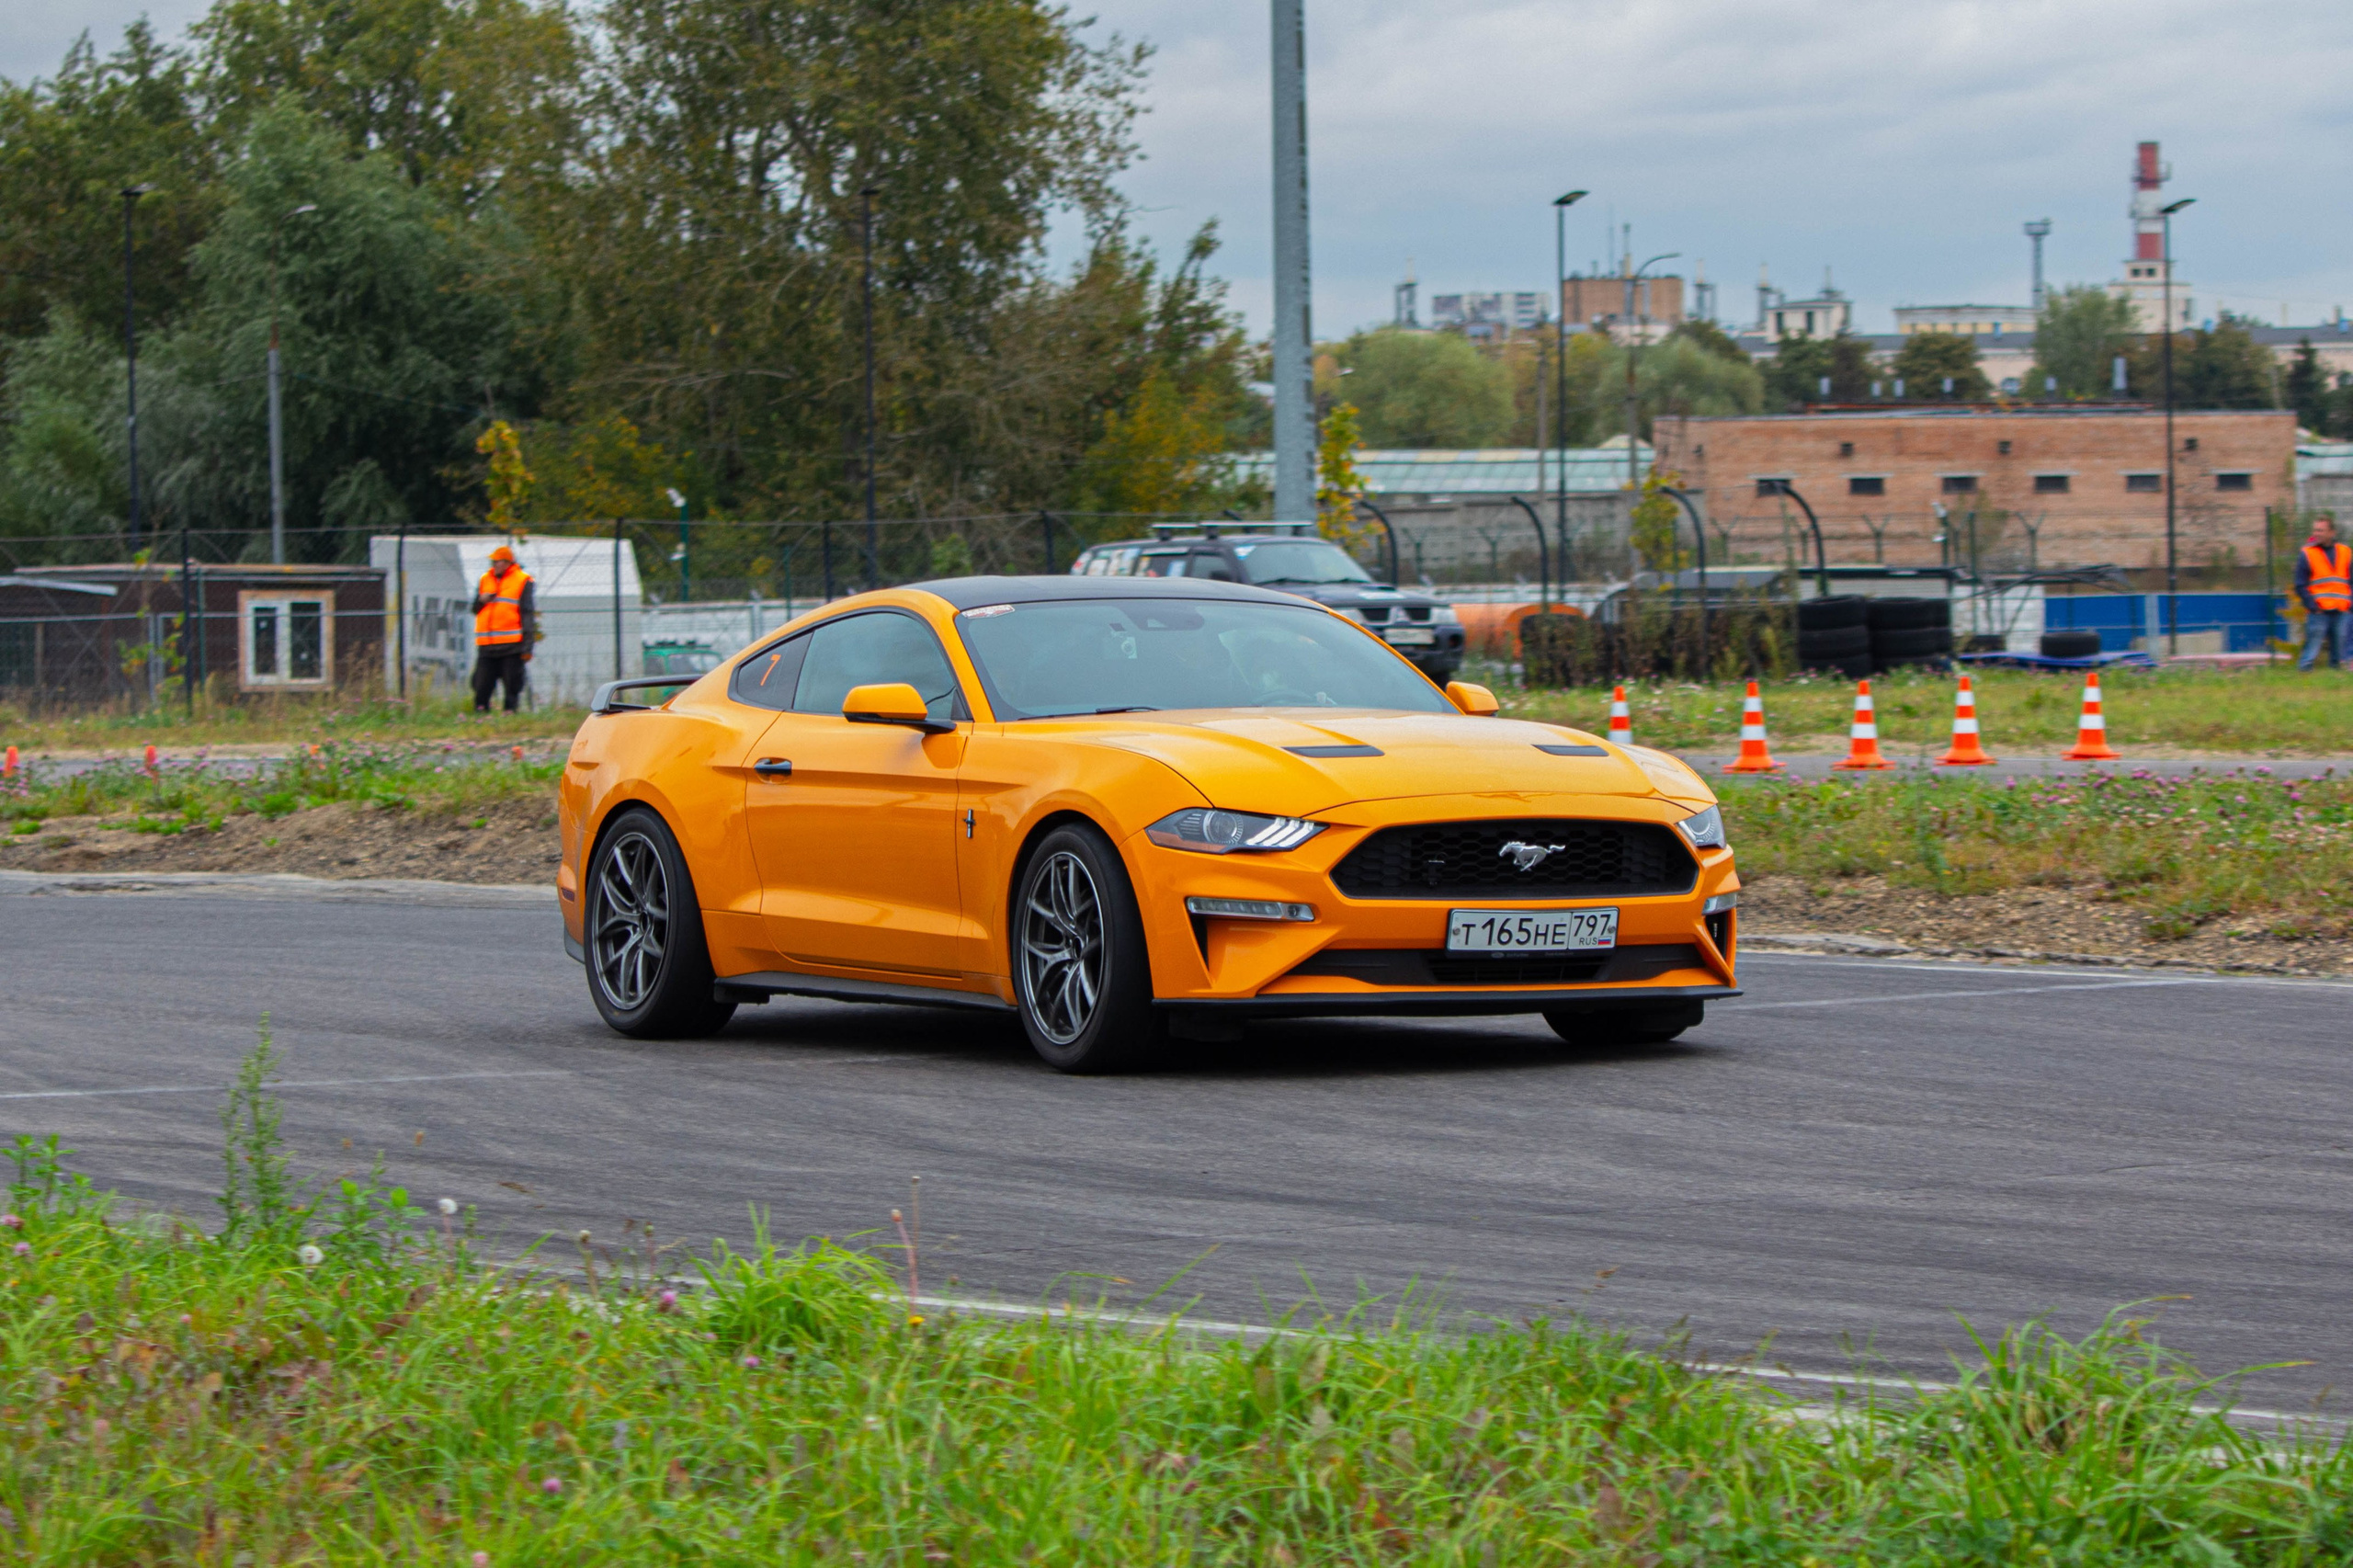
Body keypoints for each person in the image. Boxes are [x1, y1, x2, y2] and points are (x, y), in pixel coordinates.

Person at [472, 544, 537, 710]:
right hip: (487, 645)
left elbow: (527, 614)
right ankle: (481, 716)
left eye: (497, 561)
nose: (494, 564)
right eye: (493, 561)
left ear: (508, 563)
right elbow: (474, 609)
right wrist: (481, 600)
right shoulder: (485, 579)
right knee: (480, 686)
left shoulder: (522, 580)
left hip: (511, 646)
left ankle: (510, 715)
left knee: (512, 687)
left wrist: (527, 647)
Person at [2295, 514, 2350, 672]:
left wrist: (2350, 604)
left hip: (2341, 609)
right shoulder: (2307, 553)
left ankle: (2335, 673)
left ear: (2332, 532)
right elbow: (2300, 584)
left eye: (2321, 530)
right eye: (2315, 530)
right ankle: (2305, 670)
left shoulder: (2345, 552)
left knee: (2339, 647)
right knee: (2312, 645)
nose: (2316, 533)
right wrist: (2312, 606)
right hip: (2319, 609)